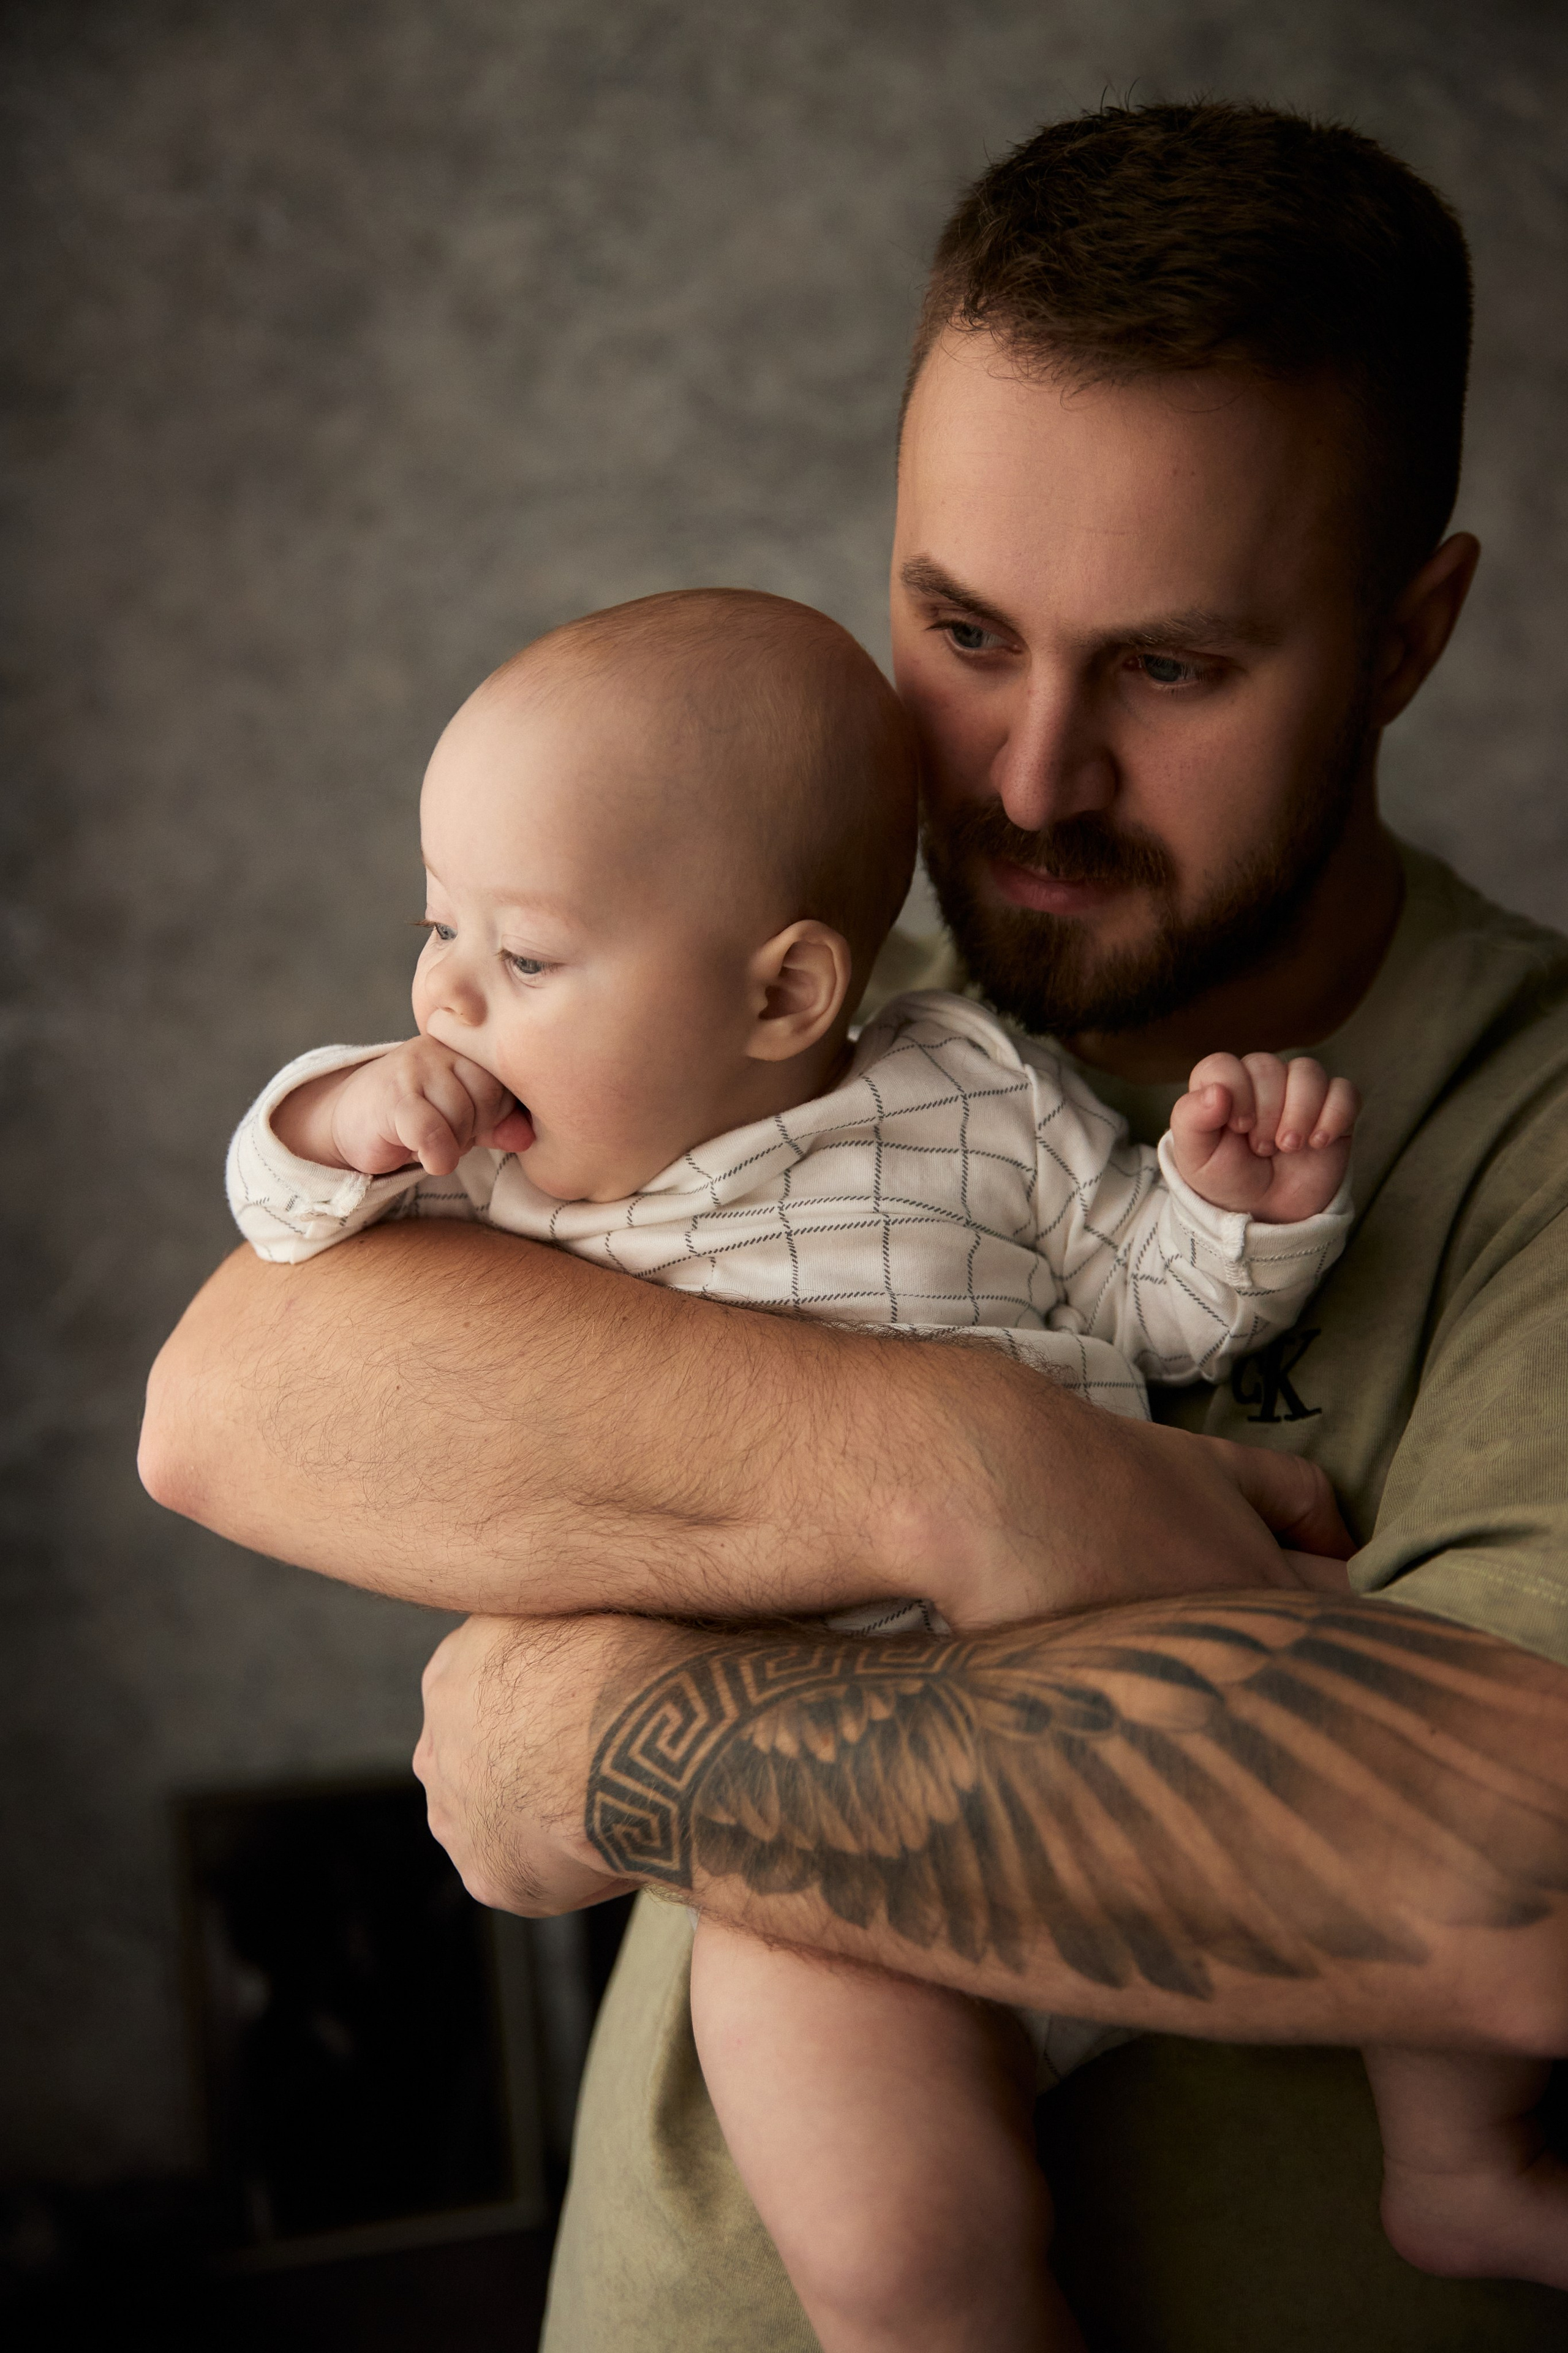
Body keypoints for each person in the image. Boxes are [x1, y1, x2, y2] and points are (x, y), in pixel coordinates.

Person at [138, 101, 1568, 2349]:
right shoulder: (753, 1014)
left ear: (1405, 639)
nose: (1025, 778)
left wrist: (592, 1706)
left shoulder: (1531, 1124)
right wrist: (979, 1471)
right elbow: (232, 1399)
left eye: (1173, 667)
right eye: (964, 629)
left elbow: (1515, 1871)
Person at [221, 583, 1360, 2352]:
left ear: (788, 990)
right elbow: (281, 1245)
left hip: (1095, 1689)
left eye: (522, 956)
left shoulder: (973, 1085)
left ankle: (1465, 2149)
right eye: (438, 927)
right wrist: (332, 1113)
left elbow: (1154, 1301)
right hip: (806, 1808)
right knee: (894, 2229)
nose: (446, 991)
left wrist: (1233, 1208)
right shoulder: (508, 1172)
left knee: (1376, 1788)